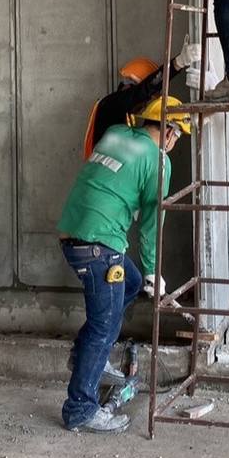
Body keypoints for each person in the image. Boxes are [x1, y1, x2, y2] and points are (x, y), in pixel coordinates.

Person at [58, 96, 191, 433]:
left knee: (129, 284)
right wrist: (153, 271)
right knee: (103, 327)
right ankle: (80, 409)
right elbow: (150, 225)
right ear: (170, 131)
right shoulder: (158, 161)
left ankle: (85, 356)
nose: (175, 143)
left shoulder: (116, 133)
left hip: (72, 235)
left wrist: (142, 277)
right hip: (99, 247)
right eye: (178, 135)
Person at [83, 37, 200, 158]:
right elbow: (144, 90)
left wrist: (189, 120)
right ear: (132, 85)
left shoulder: (124, 113)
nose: (145, 105)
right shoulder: (111, 105)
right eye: (146, 100)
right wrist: (177, 63)